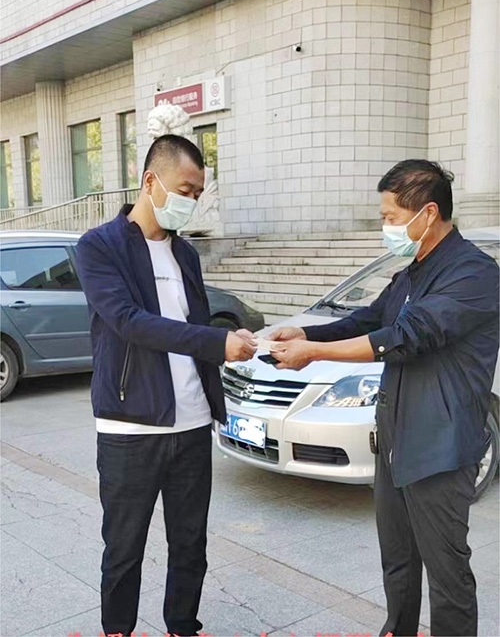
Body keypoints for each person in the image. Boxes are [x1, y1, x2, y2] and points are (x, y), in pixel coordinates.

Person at [269, 160, 499, 637]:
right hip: (394, 441)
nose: (386, 227)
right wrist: (307, 333)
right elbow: (370, 319)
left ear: (428, 213)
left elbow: (407, 335)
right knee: (397, 561)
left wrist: (315, 353)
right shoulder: (412, 272)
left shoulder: (475, 273)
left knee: (447, 575)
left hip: (439, 449)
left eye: (391, 217)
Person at [76, 134, 257, 637]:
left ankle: (183, 626)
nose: (191, 201)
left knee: (190, 544)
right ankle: (118, 630)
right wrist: (215, 342)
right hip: (130, 427)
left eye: (198, 193)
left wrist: (229, 340)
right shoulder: (99, 247)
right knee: (123, 549)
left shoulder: (186, 254)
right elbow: (129, 322)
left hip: (192, 423)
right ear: (151, 181)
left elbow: (193, 326)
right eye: (185, 190)